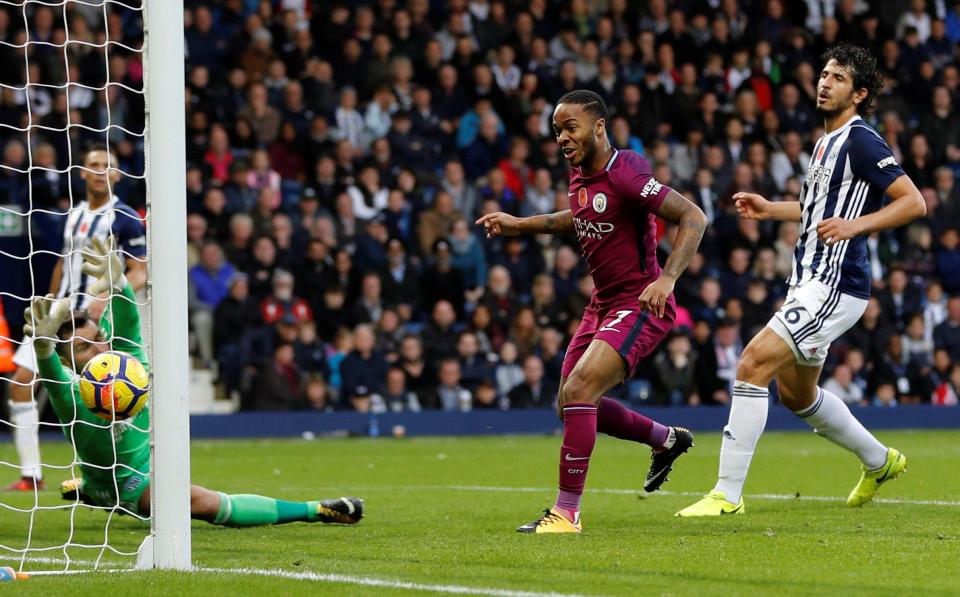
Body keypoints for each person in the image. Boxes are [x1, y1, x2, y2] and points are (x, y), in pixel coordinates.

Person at [678, 44, 926, 517]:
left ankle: (726, 494)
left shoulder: (861, 140)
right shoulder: (822, 143)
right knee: (797, 394)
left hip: (834, 283)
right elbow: (817, 212)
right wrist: (773, 209)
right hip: (809, 278)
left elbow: (913, 201)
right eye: (824, 73)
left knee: (752, 362)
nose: (824, 82)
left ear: (859, 94)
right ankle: (880, 461)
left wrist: (856, 226)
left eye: (837, 78)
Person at [477, 90, 707, 533]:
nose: (562, 138)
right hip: (601, 304)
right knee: (570, 404)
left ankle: (566, 513)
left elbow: (693, 216)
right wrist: (520, 224)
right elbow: (579, 215)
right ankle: (666, 440)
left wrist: (667, 278)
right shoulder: (580, 174)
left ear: (599, 126)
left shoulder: (628, 171)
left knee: (581, 389)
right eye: (557, 130)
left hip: (641, 301)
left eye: (570, 127)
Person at [25, 238, 363, 527]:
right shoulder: (70, 394)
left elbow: (127, 325)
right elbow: (52, 374)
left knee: (178, 493)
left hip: (139, 469)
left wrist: (120, 284)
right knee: (196, 502)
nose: (100, 347)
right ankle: (312, 511)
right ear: (68, 360)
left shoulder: (131, 368)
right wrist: (43, 347)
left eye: (99, 337)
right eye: (85, 347)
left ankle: (87, 487)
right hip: (123, 484)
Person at [7, 146, 147, 492]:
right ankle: (31, 475)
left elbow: (140, 270)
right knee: (21, 383)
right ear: (82, 173)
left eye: (107, 166)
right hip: (59, 318)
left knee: (102, 397)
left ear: (117, 174)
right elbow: (61, 262)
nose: (100, 171)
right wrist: (52, 300)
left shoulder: (126, 217)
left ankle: (115, 473)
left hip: (94, 325)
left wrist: (105, 301)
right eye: (94, 165)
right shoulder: (74, 214)